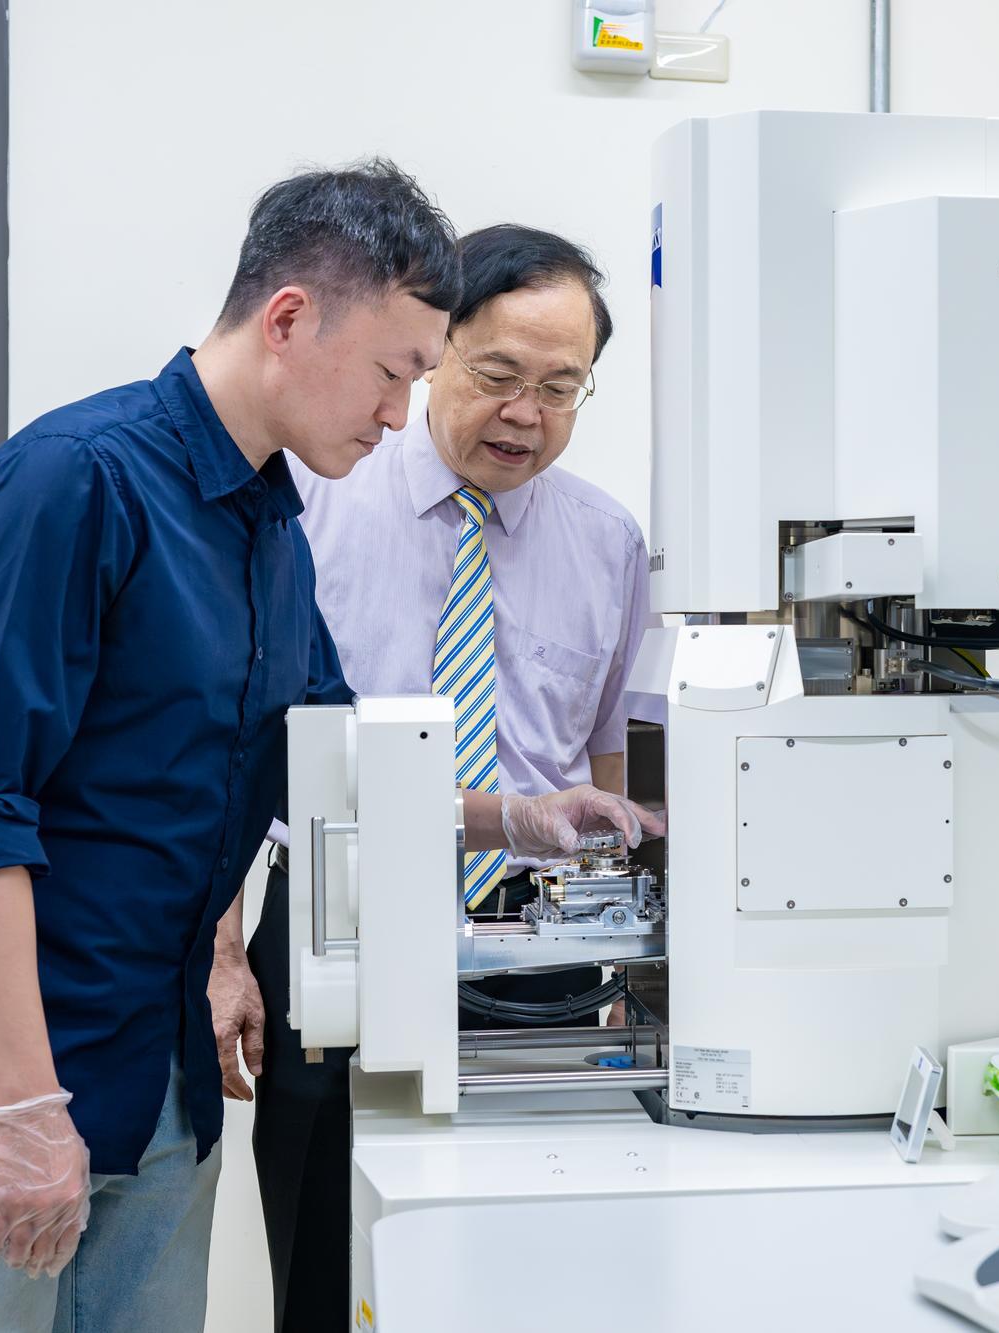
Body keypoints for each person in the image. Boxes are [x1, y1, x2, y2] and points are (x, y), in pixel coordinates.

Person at [0, 163, 653, 1332]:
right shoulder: (70, 481)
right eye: (394, 373)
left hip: (149, 1060)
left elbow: (330, 750)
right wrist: (19, 1109)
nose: (400, 415)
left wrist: (518, 817)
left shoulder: (268, 522)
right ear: (291, 319)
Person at [210, 224, 652, 1331]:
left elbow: (608, 762)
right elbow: (227, 742)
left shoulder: (607, 542)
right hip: (335, 920)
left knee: (533, 1262)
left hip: (542, 949)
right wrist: (221, 946)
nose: (525, 414)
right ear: (429, 353)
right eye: (498, 376)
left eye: (561, 388)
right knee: (328, 1252)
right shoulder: (308, 501)